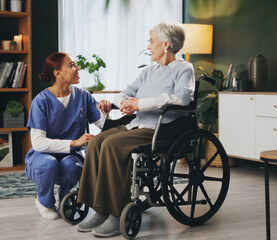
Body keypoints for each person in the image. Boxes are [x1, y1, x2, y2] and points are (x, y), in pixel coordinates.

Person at [76, 22, 195, 237]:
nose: (148, 47)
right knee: (95, 142)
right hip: (136, 124)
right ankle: (98, 208)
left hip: (161, 129)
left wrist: (139, 104)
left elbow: (182, 98)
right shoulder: (149, 71)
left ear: (166, 44)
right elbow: (126, 92)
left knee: (112, 145)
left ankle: (115, 212)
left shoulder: (184, 68)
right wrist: (124, 102)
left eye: (152, 41)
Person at [25, 52, 109, 220]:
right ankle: (44, 201)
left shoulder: (83, 96)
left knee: (73, 166)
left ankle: (65, 198)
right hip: (42, 156)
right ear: (58, 73)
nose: (77, 68)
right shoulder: (41, 101)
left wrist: (105, 109)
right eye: (71, 65)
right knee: (48, 164)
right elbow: (38, 143)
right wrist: (74, 143)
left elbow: (102, 124)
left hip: (70, 156)